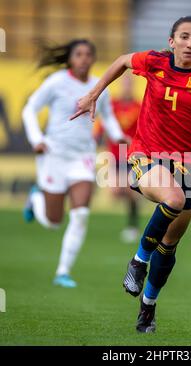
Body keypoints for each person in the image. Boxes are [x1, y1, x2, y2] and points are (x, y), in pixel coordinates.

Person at [70, 16, 191, 332]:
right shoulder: (155, 62)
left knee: (170, 245)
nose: (190, 43)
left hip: (190, 165)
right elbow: (121, 61)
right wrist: (94, 93)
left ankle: (148, 307)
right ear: (171, 41)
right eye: (184, 36)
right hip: (147, 155)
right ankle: (137, 261)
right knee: (172, 198)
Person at [22, 39, 126, 288]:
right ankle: (36, 198)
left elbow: (108, 117)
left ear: (93, 58)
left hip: (83, 157)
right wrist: (37, 139)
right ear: (70, 59)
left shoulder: (99, 86)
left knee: (80, 215)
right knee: (53, 222)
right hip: (55, 155)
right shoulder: (57, 82)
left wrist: (119, 135)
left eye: (88, 54)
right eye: (78, 54)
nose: (84, 59)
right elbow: (29, 110)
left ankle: (63, 272)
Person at [108, 73, 141, 243]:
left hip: (131, 156)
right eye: (125, 83)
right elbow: (104, 126)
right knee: (115, 192)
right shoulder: (112, 104)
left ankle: (132, 226)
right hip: (115, 155)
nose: (127, 86)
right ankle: (137, 197)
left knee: (129, 191)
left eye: (130, 83)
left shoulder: (139, 106)